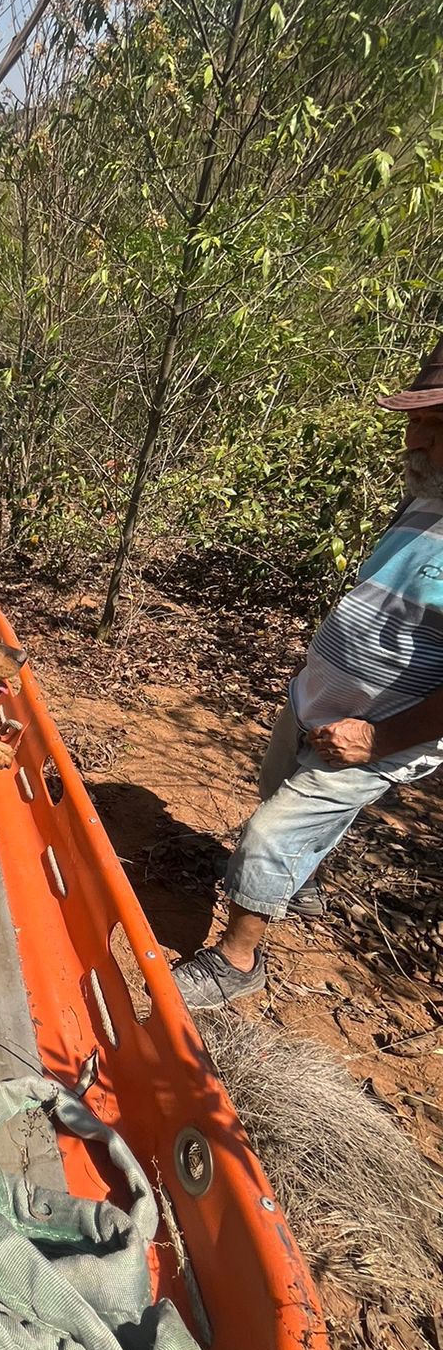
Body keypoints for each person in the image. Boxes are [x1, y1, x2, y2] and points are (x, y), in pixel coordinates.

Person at [172, 342, 443, 1010]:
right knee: (276, 791)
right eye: (416, 421)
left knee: (271, 831)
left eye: (434, 427)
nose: (413, 440)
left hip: (379, 732)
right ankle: (299, 880)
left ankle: (239, 961)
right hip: (317, 702)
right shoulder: (423, 505)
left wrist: (379, 741)